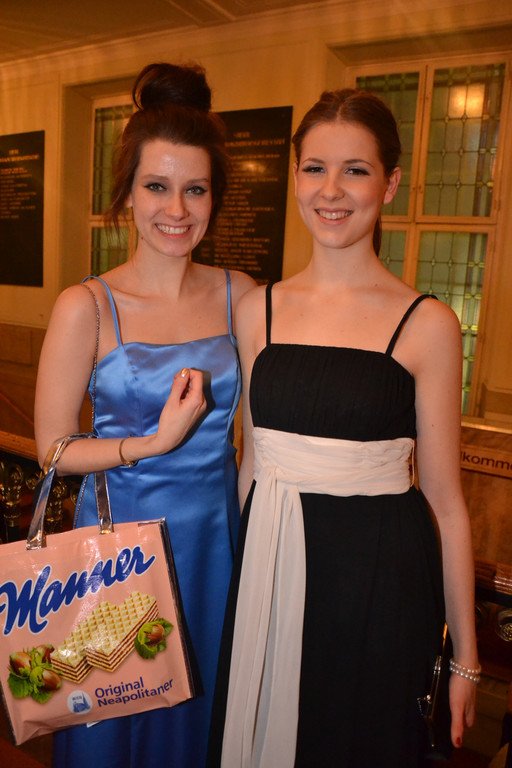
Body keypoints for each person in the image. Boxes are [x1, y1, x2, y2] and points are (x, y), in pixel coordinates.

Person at [208, 88, 479, 767]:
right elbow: (249, 465)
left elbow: (446, 503)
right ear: (295, 176)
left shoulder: (428, 324)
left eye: (355, 170)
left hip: (381, 583)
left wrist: (466, 659)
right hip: (270, 564)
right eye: (314, 168)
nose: (331, 190)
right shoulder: (256, 310)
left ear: (390, 183)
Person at [34, 61, 254, 768]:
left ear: (215, 196)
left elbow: (259, 444)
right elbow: (51, 449)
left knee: (202, 724)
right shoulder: (88, 306)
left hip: (215, 547)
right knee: (112, 727)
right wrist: (150, 443)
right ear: (127, 191)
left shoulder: (243, 298)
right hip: (118, 550)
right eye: (157, 186)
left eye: (196, 189)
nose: (177, 209)